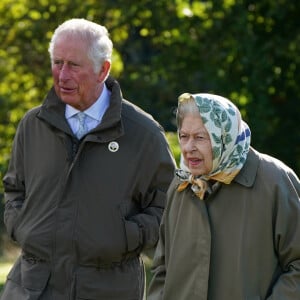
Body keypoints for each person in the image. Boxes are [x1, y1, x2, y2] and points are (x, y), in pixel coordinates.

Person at [1, 18, 176, 300]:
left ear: (103, 70)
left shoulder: (143, 133)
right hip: (32, 288)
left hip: (109, 290)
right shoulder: (32, 124)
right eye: (57, 63)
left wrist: (123, 236)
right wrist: (23, 228)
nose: (62, 75)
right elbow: (14, 189)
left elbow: (170, 206)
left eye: (74, 65)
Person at [147, 92, 300, 300]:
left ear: (224, 136)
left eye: (200, 137)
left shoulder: (275, 181)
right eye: (184, 136)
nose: (188, 148)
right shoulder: (181, 184)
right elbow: (162, 268)